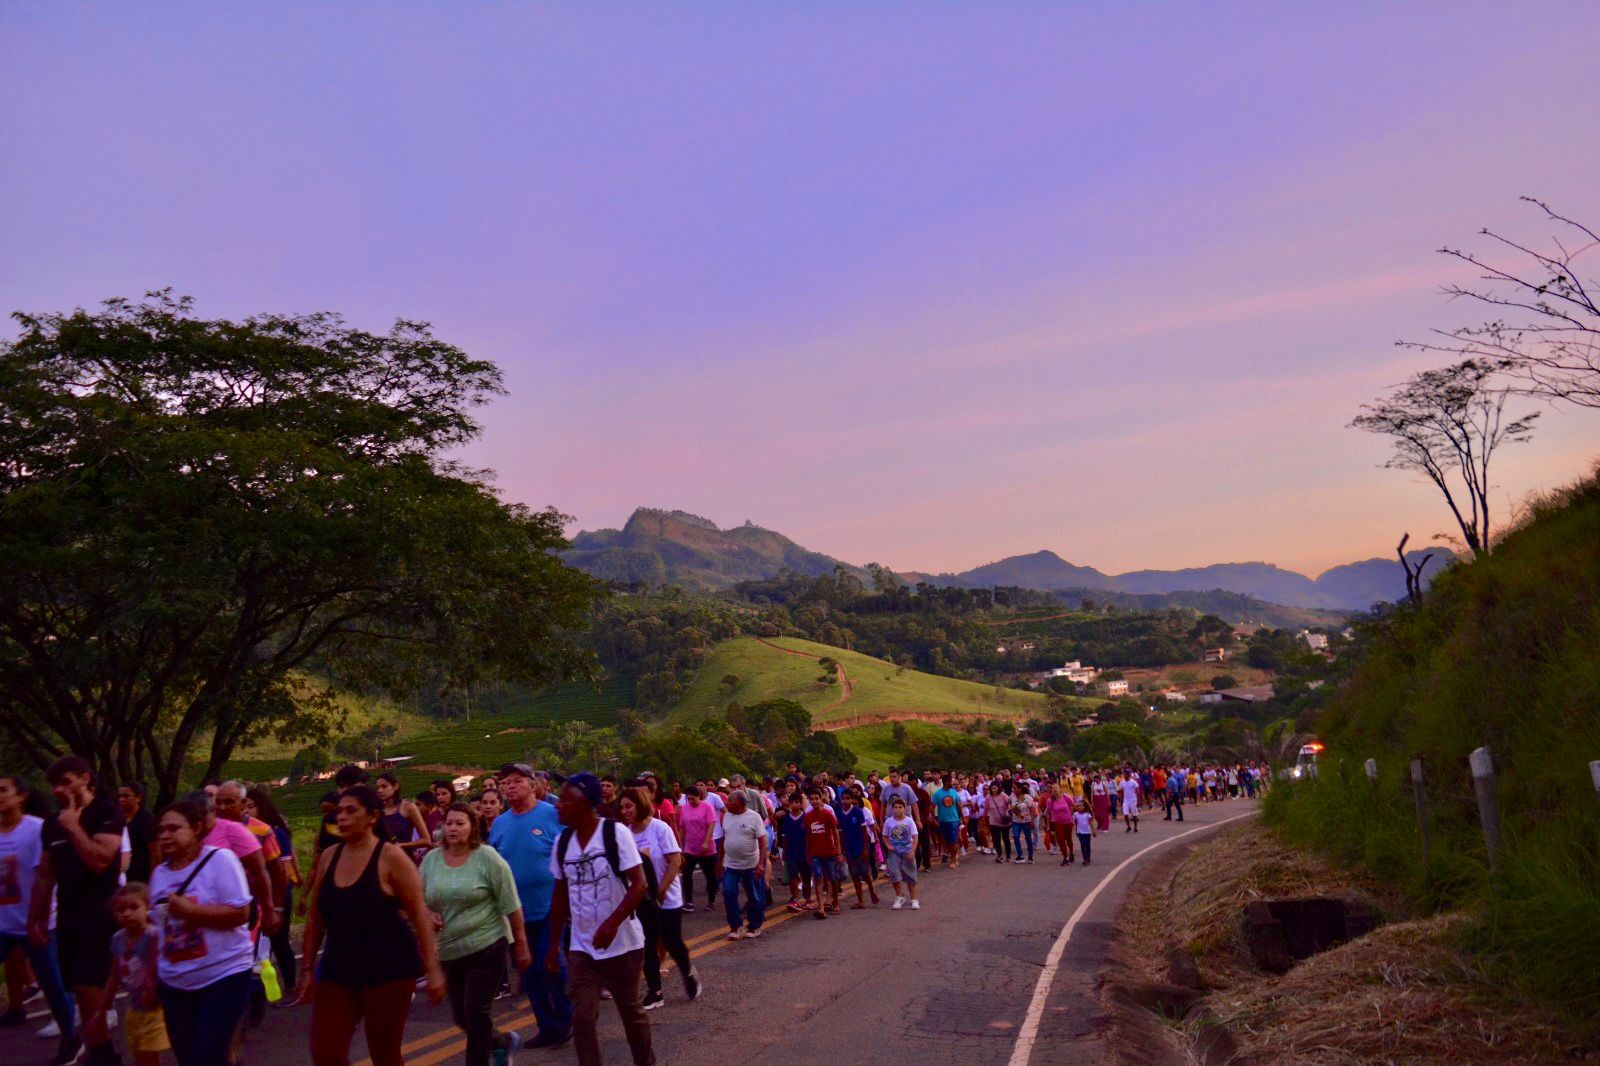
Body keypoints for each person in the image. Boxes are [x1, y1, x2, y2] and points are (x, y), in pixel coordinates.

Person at [298, 785, 445, 1066]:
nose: (342, 817)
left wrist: (433, 969)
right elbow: (316, 917)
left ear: (373, 817)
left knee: (384, 1054)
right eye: (339, 811)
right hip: (339, 967)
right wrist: (306, 969)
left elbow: (418, 913)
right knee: (326, 1052)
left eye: (351, 811)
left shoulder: (391, 857)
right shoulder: (330, 857)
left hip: (389, 968)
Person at [545, 772, 654, 1066]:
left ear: (586, 803)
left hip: (623, 946)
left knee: (630, 1013)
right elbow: (559, 897)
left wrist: (611, 923)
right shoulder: (562, 842)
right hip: (583, 948)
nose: (559, 804)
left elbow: (639, 884)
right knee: (581, 1017)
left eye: (566, 799)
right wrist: (554, 948)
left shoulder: (614, 834)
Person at [30, 756, 126, 1066]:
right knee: (77, 986)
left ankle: (103, 1053)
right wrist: (37, 918)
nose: (59, 790)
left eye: (65, 781)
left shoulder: (107, 812)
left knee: (87, 985)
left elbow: (101, 861)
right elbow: (46, 873)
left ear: (85, 778)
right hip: (69, 915)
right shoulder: (50, 824)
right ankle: (100, 1048)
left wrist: (73, 827)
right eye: (54, 786)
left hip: (100, 913)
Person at [148, 799, 256, 1066]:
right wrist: (153, 975)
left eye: (173, 828)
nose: (165, 835)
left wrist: (192, 912)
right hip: (175, 983)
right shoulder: (159, 874)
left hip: (223, 975)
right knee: (187, 1058)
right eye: (161, 830)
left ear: (196, 828)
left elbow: (241, 914)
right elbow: (159, 931)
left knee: (206, 1057)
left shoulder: (220, 860)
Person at [422, 801, 531, 1066]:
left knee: (475, 1011)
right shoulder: (431, 860)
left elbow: (511, 903)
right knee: (462, 1017)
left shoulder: (487, 858)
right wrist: (426, 913)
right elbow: (418, 899)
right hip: (449, 949)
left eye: (460, 823)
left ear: (472, 828)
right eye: (449, 823)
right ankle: (501, 1041)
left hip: (487, 944)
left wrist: (521, 945)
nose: (453, 828)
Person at [488, 762, 573, 1049]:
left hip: (552, 906)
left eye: (515, 781)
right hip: (516, 912)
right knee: (528, 969)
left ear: (533, 784)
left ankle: (568, 1018)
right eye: (505, 782)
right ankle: (548, 1027)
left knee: (551, 964)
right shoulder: (500, 823)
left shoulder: (553, 814)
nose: (509, 786)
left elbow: (572, 850)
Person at [0, 775, 78, 1062]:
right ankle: (17, 1010)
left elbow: (46, 877)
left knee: (54, 986)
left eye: (3, 790)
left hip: (38, 924)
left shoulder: (36, 830)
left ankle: (71, 1038)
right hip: (3, 924)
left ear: (21, 796)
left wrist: (40, 921)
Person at [618, 787, 699, 1011]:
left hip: (667, 897)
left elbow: (675, 861)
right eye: (622, 807)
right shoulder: (624, 833)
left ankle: (688, 972)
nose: (624, 811)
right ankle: (655, 992)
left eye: (629, 806)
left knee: (672, 942)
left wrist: (661, 891)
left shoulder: (660, 828)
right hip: (642, 899)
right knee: (647, 945)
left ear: (641, 805)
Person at [97, 882, 168, 1066]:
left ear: (148, 907)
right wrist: (100, 1009)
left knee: (147, 1058)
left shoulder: (153, 936)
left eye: (134, 907)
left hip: (154, 1009)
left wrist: (153, 988)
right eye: (120, 909)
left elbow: (162, 969)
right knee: (137, 1056)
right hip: (134, 1008)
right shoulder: (117, 939)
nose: (127, 913)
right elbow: (114, 975)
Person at [243, 786, 300, 994]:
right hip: (254, 896)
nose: (247, 811)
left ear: (262, 808)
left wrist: (277, 905)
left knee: (279, 941)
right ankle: (264, 991)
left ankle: (291, 986)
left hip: (278, 894)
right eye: (244, 806)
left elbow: (284, 869)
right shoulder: (243, 832)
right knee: (258, 945)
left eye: (251, 806)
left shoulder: (273, 831)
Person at [717, 788, 767, 941]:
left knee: (754, 896)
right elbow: (724, 839)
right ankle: (736, 926)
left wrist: (760, 864)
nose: (726, 803)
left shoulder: (754, 817)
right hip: (731, 864)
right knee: (728, 892)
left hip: (751, 864)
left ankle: (754, 925)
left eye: (730, 801)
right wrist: (719, 862)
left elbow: (763, 842)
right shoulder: (727, 816)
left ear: (739, 803)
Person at [675, 784, 717, 913]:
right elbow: (682, 827)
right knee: (686, 874)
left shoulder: (706, 806)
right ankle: (689, 902)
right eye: (689, 799)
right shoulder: (685, 808)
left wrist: (706, 842)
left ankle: (711, 901)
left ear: (699, 797)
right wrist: (679, 844)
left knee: (709, 875)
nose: (691, 801)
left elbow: (711, 824)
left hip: (706, 847)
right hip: (690, 847)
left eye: (693, 799)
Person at [802, 786, 843, 919]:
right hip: (815, 854)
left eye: (816, 799)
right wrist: (808, 853)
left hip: (830, 852)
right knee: (818, 879)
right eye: (811, 799)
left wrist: (838, 851)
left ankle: (835, 902)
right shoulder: (808, 816)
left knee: (832, 878)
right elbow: (808, 835)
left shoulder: (828, 814)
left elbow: (835, 832)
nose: (814, 801)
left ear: (821, 799)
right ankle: (820, 908)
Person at [375, 771, 432, 861]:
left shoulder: (408, 807)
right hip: (383, 861)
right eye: (378, 787)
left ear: (395, 786)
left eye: (384, 786)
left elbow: (426, 840)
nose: (380, 790)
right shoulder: (377, 811)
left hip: (405, 860)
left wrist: (401, 845)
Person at [837, 789, 877, 908]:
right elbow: (841, 833)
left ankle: (871, 890)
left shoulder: (858, 812)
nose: (845, 801)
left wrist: (865, 848)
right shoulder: (839, 814)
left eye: (848, 798)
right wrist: (842, 850)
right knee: (854, 874)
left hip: (860, 846)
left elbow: (864, 831)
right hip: (849, 848)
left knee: (864, 872)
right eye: (843, 798)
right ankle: (860, 900)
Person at [116, 782, 160, 886]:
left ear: (138, 797)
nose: (121, 799)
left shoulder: (147, 821)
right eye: (119, 796)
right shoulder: (116, 819)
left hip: (140, 879)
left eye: (126, 796)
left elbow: (155, 854)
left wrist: (152, 882)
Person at [775, 790, 812, 913]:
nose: (795, 805)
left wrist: (809, 852)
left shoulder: (806, 818)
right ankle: (795, 898)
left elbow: (809, 837)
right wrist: (785, 852)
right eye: (793, 802)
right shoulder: (786, 819)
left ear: (801, 804)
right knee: (793, 877)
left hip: (804, 852)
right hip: (791, 852)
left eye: (798, 802)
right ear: (790, 804)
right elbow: (784, 836)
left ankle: (808, 898)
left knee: (806, 877)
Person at [881, 797, 919, 910]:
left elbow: (915, 836)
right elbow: (884, 836)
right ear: (892, 809)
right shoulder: (889, 821)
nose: (898, 810)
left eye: (900, 807)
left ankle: (914, 899)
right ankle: (899, 896)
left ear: (905, 809)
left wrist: (912, 851)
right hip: (894, 852)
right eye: (896, 807)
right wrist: (888, 845)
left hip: (907, 850)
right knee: (894, 874)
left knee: (910, 876)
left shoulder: (909, 821)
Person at [930, 774, 963, 869]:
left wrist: (962, 817)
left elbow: (959, 805)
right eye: (951, 781)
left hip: (954, 820)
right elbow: (931, 807)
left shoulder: (953, 792)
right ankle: (953, 855)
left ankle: (954, 859)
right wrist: (934, 819)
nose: (952, 783)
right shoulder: (938, 794)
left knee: (952, 841)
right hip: (942, 820)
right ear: (946, 782)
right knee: (946, 841)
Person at [1046, 782, 1076, 865]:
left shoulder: (1066, 797)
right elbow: (1049, 814)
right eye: (1053, 788)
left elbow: (1074, 805)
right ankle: (1065, 857)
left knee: (1068, 839)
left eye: (1056, 788)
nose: (1055, 789)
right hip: (1057, 823)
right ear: (1051, 790)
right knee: (1061, 839)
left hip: (1068, 821)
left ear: (1059, 789)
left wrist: (1077, 814)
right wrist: (1048, 825)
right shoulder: (1049, 801)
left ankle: (1071, 852)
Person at [1009, 782, 1037, 864]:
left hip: (1026, 821)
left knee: (1028, 838)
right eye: (1013, 788)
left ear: (1020, 789)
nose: (1013, 790)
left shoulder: (1027, 797)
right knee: (1016, 836)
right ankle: (1020, 856)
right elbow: (1009, 804)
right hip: (1016, 821)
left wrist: (1032, 820)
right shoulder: (1012, 796)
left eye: (1015, 788)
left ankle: (1030, 857)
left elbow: (1032, 808)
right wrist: (1010, 809)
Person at [984, 782, 1012, 864]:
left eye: (995, 788)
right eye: (992, 788)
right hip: (993, 821)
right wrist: (984, 817)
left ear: (998, 788)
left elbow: (1010, 803)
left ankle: (1008, 856)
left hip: (1004, 820)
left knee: (1006, 838)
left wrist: (1008, 811)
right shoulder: (988, 797)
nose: (993, 790)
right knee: (996, 839)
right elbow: (986, 808)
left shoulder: (1003, 795)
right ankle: (999, 856)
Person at [1074, 800, 1097, 867]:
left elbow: (1090, 823)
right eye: (1078, 806)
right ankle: (1085, 859)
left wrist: (1093, 831)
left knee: (1087, 846)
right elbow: (1075, 823)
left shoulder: (1088, 814)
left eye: (1081, 806)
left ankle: (1088, 858)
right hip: (1080, 832)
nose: (1079, 807)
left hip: (1087, 832)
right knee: (1083, 845)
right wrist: (1076, 831)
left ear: (1084, 807)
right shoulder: (1075, 814)